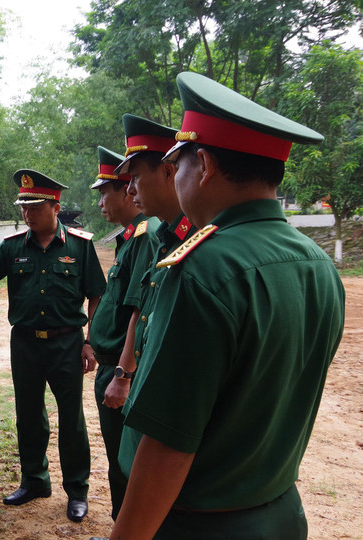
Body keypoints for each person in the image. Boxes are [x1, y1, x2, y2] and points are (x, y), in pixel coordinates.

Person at [109, 72, 344, 540]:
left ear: (205, 165)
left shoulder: (202, 269)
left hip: (198, 523)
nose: (175, 177)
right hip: (278, 513)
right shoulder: (318, 264)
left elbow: (168, 443)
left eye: (177, 164)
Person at [0, 169, 106, 523]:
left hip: (67, 344)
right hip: (25, 343)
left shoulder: (79, 245)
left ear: (55, 207)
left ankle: (77, 490)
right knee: (28, 415)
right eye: (23, 207)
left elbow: (96, 295)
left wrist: (91, 341)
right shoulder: (13, 247)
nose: (27, 214)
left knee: (71, 419)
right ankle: (34, 481)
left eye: (35, 207)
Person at [104, 114, 196, 411]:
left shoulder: (194, 240)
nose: (130, 189)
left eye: (135, 177)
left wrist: (123, 375)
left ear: (168, 172)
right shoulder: (167, 237)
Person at [87, 146, 159, 520]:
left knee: (125, 459)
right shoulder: (129, 238)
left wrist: (122, 375)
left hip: (120, 367)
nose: (101, 202)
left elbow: (138, 312)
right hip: (111, 365)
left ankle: (126, 527)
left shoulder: (145, 237)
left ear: (127, 190)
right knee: (118, 457)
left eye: (105, 193)